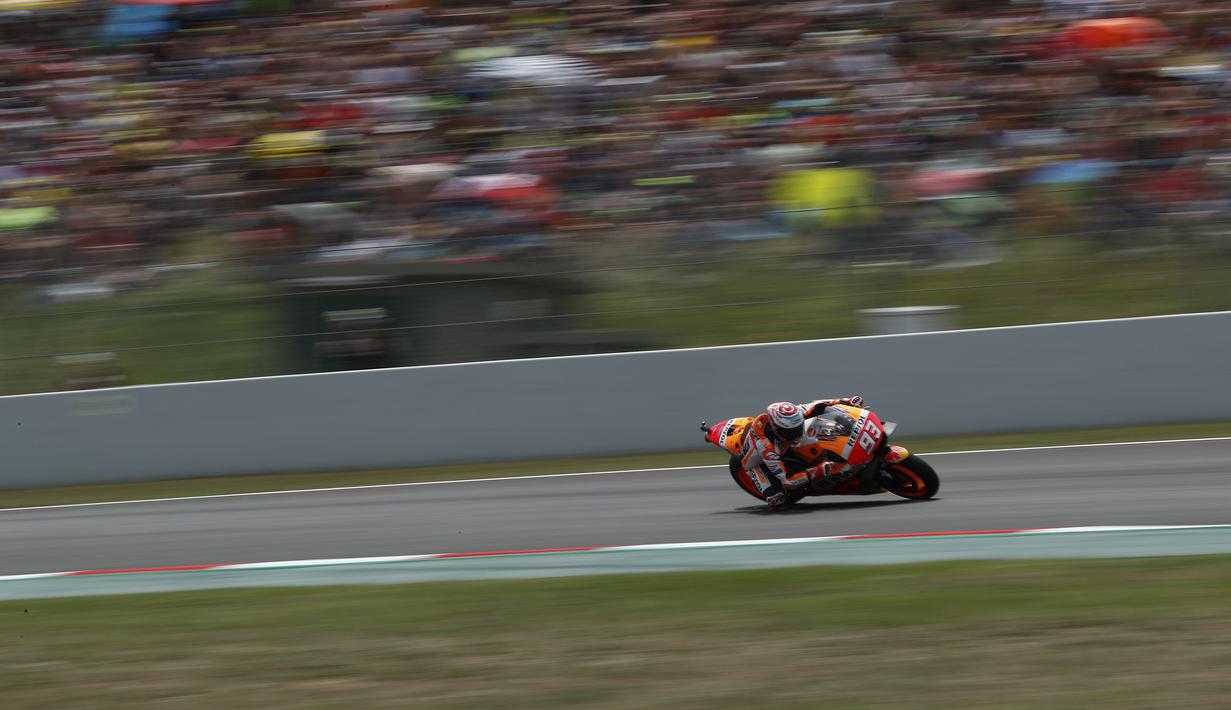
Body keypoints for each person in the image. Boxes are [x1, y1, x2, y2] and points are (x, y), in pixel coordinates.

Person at [740, 396, 865, 509]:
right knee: (776, 500)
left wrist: (846, 401)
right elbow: (788, 481)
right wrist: (820, 470)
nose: (797, 434)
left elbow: (819, 404)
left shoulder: (794, 415)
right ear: (776, 429)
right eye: (791, 432)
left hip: (783, 446)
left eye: (798, 428)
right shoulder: (768, 449)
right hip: (757, 462)